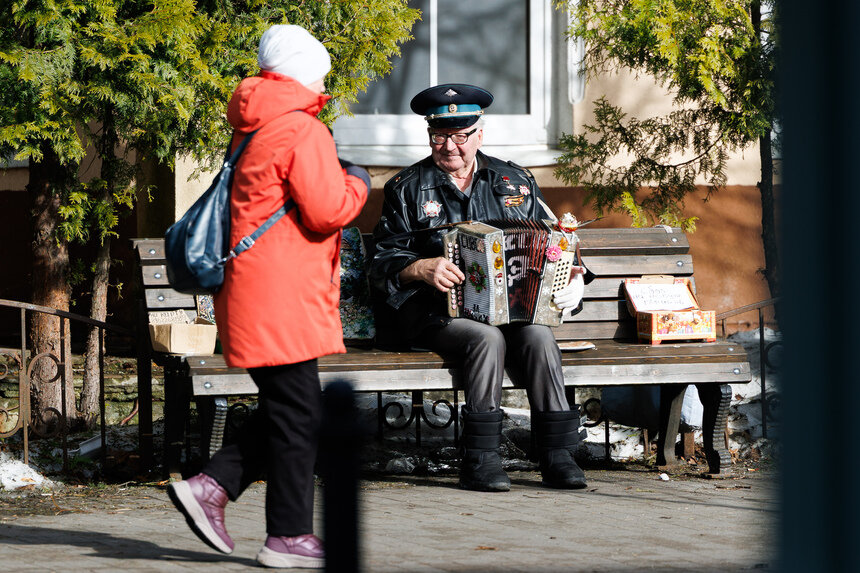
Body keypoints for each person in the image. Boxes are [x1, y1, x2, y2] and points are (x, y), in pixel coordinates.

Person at [167, 24, 369, 569]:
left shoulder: (254, 126)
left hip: (256, 290)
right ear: (307, 72)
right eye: (322, 72)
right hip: (281, 295)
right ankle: (284, 533)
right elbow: (328, 210)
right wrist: (358, 182)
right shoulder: (302, 130)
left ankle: (217, 488)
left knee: (292, 408)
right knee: (300, 410)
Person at [370, 84, 593, 492]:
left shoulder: (516, 181)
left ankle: (557, 453)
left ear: (479, 134)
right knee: (485, 338)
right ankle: (482, 457)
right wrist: (419, 267)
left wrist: (573, 278)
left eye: (460, 136)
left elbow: (557, 241)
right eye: (440, 136)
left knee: (540, 336)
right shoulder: (406, 188)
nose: (450, 147)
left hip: (511, 309)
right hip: (436, 312)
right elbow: (383, 261)